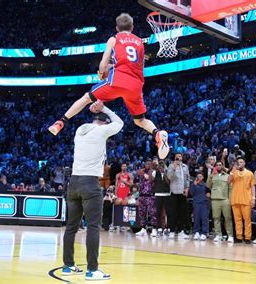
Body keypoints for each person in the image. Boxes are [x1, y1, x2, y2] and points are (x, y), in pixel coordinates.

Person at [48, 13, 169, 160]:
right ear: (132, 27)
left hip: (117, 81)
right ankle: (158, 133)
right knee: (139, 120)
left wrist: (102, 73)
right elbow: (137, 65)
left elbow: (103, 64)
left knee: (87, 98)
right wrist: (112, 68)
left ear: (117, 28)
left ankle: (60, 122)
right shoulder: (139, 42)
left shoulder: (114, 39)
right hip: (136, 84)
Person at [62, 100, 123, 280]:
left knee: (71, 227)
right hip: (90, 183)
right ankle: (92, 270)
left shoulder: (80, 130)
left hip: (73, 182)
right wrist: (104, 107)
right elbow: (119, 122)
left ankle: (68, 265)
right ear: (104, 122)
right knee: (93, 227)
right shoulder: (101, 130)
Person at [229, 156, 256, 244]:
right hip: (235, 199)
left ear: (244, 163)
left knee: (247, 220)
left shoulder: (250, 173)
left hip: (246, 199)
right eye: (238, 162)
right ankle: (238, 236)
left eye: (241, 162)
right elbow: (228, 181)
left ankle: (247, 237)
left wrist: (253, 198)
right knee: (237, 220)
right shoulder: (234, 172)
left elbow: (252, 186)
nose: (239, 164)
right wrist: (232, 171)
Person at [207, 161, 234, 243]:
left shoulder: (227, 176)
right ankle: (218, 235)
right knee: (216, 218)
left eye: (220, 165)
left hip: (225, 199)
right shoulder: (212, 176)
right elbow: (208, 186)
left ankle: (230, 235)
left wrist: (229, 200)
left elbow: (230, 189)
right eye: (217, 165)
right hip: (215, 199)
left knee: (228, 218)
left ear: (222, 166)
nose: (218, 166)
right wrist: (210, 176)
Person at [167, 153, 190, 239]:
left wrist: (187, 188)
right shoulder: (171, 166)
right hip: (174, 192)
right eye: (177, 156)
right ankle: (172, 231)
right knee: (172, 213)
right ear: (175, 158)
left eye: (180, 156)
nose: (179, 157)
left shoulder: (185, 166)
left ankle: (181, 231)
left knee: (182, 213)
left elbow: (187, 178)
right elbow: (169, 177)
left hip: (182, 192)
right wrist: (174, 167)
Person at [135, 159, 157, 237]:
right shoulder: (141, 172)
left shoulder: (153, 171)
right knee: (141, 213)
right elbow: (137, 173)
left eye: (149, 164)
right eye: (146, 163)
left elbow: (151, 178)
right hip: (142, 195)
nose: (147, 165)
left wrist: (149, 170)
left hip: (150, 195)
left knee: (152, 213)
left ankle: (154, 229)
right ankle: (143, 229)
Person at [150, 160, 171, 237]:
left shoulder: (168, 173)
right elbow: (151, 180)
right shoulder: (155, 172)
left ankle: (168, 228)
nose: (161, 168)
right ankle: (159, 228)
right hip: (158, 194)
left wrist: (165, 173)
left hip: (167, 194)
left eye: (163, 166)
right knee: (158, 212)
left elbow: (169, 182)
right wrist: (153, 169)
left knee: (168, 212)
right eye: (160, 166)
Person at [189, 173, 211, 241]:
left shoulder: (205, 185)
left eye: (200, 176)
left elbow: (209, 193)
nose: (199, 177)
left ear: (203, 177)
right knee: (196, 218)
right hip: (196, 203)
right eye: (198, 176)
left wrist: (208, 194)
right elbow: (191, 193)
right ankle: (196, 232)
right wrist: (194, 185)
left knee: (204, 218)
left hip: (204, 203)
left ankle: (204, 233)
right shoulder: (193, 184)